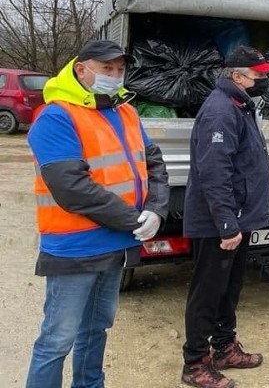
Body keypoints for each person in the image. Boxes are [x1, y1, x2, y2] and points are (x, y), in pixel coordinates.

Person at [25, 39, 170, 388]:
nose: (115, 76)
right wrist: (135, 220)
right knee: (57, 339)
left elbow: (154, 164)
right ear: (82, 69)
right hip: (74, 249)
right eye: (107, 69)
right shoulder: (56, 116)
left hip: (116, 244)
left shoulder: (126, 112)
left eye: (120, 70)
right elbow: (71, 188)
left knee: (96, 329)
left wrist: (157, 210)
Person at [180, 45, 269, 388]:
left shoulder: (240, 106)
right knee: (208, 291)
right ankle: (195, 363)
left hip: (237, 219)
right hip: (219, 222)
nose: (263, 80)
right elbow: (214, 173)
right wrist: (226, 223)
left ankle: (223, 347)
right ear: (237, 76)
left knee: (229, 288)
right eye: (258, 75)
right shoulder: (221, 111)